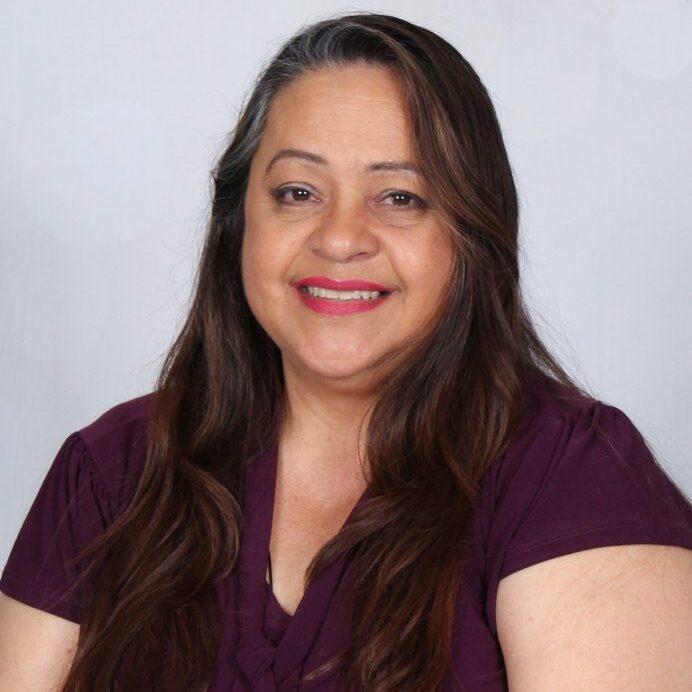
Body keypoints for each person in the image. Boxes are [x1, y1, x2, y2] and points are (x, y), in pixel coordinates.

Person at [1, 11, 690, 692]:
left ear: (473, 234)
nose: (339, 237)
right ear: (239, 222)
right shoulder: (111, 472)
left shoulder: (575, 477)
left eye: (400, 196)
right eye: (299, 192)